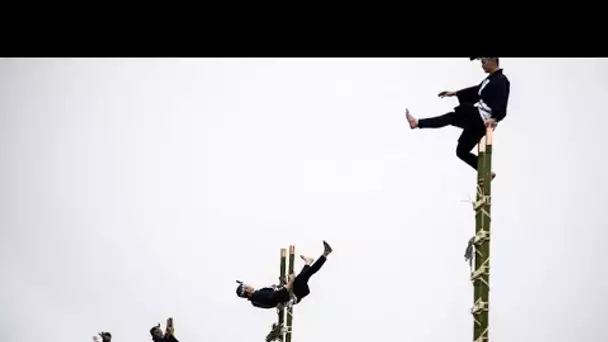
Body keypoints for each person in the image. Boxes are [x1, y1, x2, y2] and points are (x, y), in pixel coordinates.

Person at [405, 57, 510, 178]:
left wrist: (495, 118)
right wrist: (455, 93)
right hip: (477, 123)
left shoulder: (501, 80)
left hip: (481, 119)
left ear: (492, 60)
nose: (482, 65)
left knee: (452, 117)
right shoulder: (490, 80)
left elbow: (502, 103)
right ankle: (486, 171)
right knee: (461, 151)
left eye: (483, 62)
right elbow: (475, 91)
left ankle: (417, 123)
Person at [236, 240, 333, 309]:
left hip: (293, 293)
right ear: (247, 292)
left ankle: (311, 261)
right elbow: (279, 295)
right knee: (305, 275)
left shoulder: (257, 297)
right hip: (294, 294)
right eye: (246, 286)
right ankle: (323, 255)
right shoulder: (258, 296)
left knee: (306, 274)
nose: (249, 285)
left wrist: (285, 283)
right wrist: (291, 281)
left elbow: (276, 293)